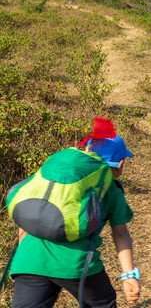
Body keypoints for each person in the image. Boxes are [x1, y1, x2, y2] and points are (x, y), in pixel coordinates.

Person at [9, 120, 140, 308]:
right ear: (120, 163)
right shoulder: (111, 188)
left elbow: (27, 219)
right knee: (103, 303)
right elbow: (120, 233)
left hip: (28, 262)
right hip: (76, 265)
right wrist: (129, 276)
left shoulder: (55, 177)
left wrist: (22, 261)